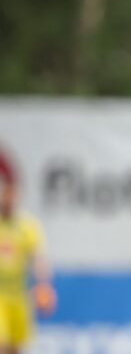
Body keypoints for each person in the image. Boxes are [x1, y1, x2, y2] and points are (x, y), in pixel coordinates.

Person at [0, 150, 56, 354]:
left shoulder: (27, 226)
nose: (8, 197)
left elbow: (39, 259)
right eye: (4, 192)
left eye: (12, 193)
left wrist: (43, 285)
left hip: (19, 298)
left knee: (15, 349)